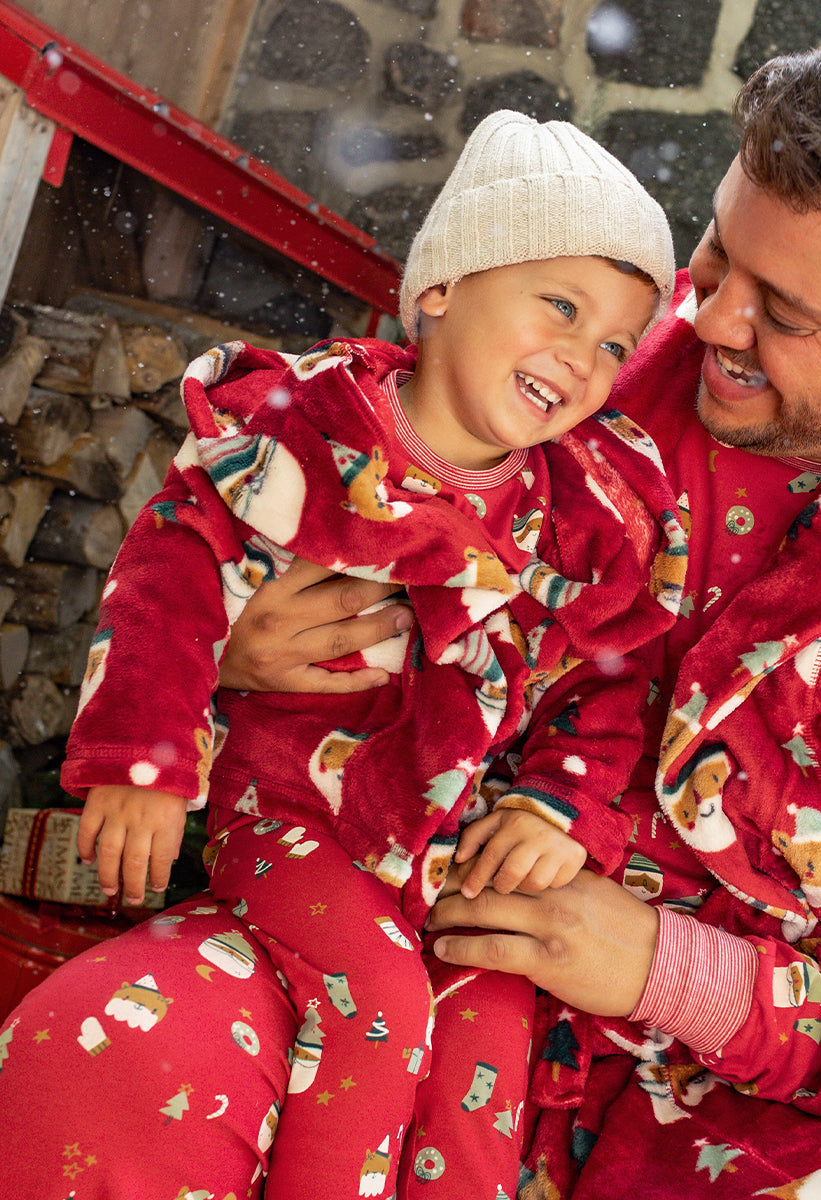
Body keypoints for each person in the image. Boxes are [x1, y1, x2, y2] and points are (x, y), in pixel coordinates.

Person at [0, 4, 821, 1198]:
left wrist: (671, 971)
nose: (714, 323)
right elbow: (294, 494)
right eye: (720, 259)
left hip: (701, 1130)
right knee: (106, 1051)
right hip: (367, 925)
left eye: (786, 315)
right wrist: (229, 650)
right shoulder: (576, 355)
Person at [38, 110, 683, 1200]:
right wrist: (142, 761)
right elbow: (172, 572)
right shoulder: (312, 432)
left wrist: (557, 808)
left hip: (456, 837)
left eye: (616, 343)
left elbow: (609, 679)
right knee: (376, 1005)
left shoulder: (579, 509)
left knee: (489, 1025)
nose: (584, 358)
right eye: (561, 307)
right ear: (442, 288)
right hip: (294, 814)